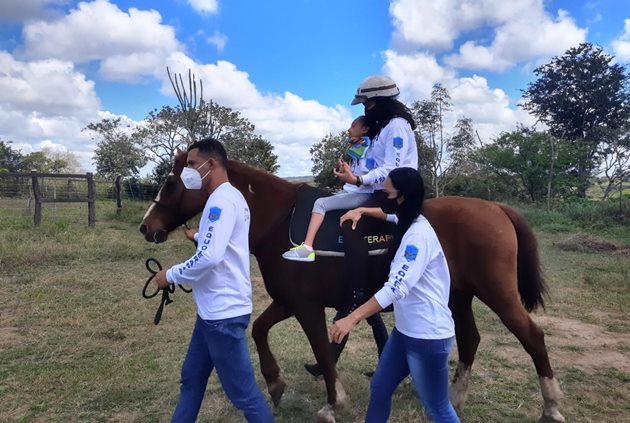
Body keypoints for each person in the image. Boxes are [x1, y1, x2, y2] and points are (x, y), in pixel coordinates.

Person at [302, 75, 418, 376]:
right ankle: (372, 335)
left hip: (396, 195)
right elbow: (371, 164)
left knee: (352, 229)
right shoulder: (381, 130)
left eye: (366, 103)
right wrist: (353, 173)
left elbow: (392, 169)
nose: (364, 109)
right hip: (380, 192)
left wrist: (358, 181)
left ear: (378, 102)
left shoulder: (397, 128)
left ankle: (353, 295)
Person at [154, 138, 274, 423]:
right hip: (210, 313)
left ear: (212, 164)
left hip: (223, 315)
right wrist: (197, 235)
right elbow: (225, 245)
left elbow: (210, 257)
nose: (189, 171)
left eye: (193, 165)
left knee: (243, 394)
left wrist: (168, 275)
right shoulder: (227, 198)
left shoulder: (221, 201)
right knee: (192, 379)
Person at [329, 167, 460, 423]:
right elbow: (390, 217)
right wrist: (362, 210)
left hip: (427, 337)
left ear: (401, 196)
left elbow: (396, 288)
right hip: (405, 332)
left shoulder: (417, 237)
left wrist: (350, 319)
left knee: (437, 408)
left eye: (385, 192)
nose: (381, 197)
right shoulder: (406, 220)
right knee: (380, 388)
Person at [282, 115, 375, 262]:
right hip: (353, 191)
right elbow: (357, 176)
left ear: (364, 129)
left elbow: (367, 179)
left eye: (353, 126)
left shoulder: (369, 153)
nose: (349, 130)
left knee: (320, 203)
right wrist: (346, 171)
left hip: (361, 195)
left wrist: (350, 176)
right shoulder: (361, 150)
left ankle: (307, 248)